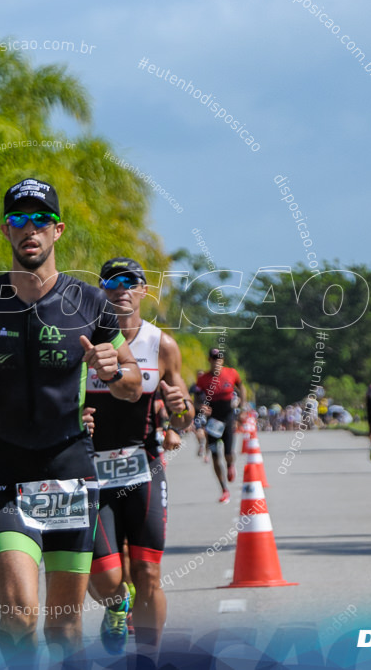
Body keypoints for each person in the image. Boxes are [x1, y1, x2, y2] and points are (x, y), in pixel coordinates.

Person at [0, 177, 142, 668]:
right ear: (5, 229)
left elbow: (133, 383)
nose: (28, 229)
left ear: (57, 230)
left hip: (71, 469)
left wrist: (113, 368)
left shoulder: (90, 304)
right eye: (18, 220)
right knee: (18, 615)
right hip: (8, 469)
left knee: (63, 626)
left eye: (39, 221)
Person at [84, 257, 192, 659]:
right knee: (107, 577)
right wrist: (76, 416)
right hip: (90, 473)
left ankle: (149, 659)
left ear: (144, 291)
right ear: (101, 291)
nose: (121, 289)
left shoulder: (161, 344)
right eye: (111, 282)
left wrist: (181, 411)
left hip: (142, 467)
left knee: (147, 571)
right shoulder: (84, 339)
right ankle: (116, 605)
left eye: (131, 282)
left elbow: (184, 416)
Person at [194, 348, 246, 503]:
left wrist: (242, 407)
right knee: (215, 455)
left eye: (219, 358)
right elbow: (196, 399)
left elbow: (241, 387)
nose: (217, 361)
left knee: (228, 453)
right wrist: (201, 407)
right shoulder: (203, 379)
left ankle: (230, 464)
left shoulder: (231, 373)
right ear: (209, 360)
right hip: (213, 420)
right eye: (214, 358)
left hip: (228, 417)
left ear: (222, 361)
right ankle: (224, 489)